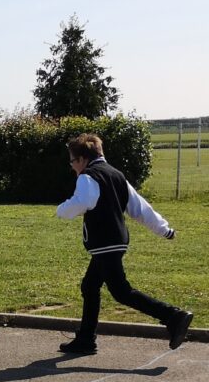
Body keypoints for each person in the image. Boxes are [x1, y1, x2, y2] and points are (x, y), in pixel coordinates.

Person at [57, 133, 193, 354]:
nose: (72, 166)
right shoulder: (116, 174)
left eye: (72, 161)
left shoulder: (87, 177)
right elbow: (140, 208)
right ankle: (86, 339)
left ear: (82, 159)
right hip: (116, 241)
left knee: (121, 291)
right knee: (90, 286)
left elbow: (83, 202)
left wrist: (62, 210)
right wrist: (164, 229)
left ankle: (173, 316)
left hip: (104, 243)